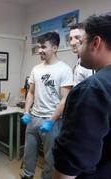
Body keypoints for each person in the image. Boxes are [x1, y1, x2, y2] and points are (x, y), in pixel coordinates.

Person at [53, 13, 111, 179]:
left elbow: (71, 161)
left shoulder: (91, 89)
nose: (77, 46)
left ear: (95, 43)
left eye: (81, 41)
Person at [20, 32, 73, 179]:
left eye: (44, 47)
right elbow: (30, 93)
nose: (40, 50)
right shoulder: (36, 69)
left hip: (52, 121)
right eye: (39, 47)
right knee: (28, 154)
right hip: (33, 118)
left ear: (55, 48)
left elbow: (65, 99)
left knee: (50, 159)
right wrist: (26, 112)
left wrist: (51, 120)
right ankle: (27, 175)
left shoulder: (64, 69)